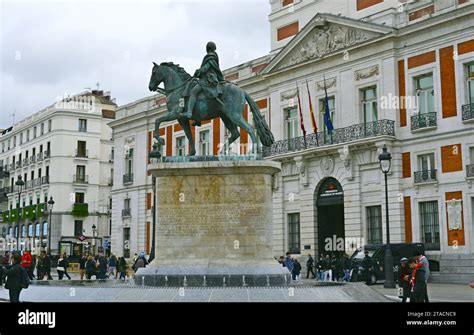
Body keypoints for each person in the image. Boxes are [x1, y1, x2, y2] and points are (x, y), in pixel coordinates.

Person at [182, 41, 225, 121]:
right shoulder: (214, 56)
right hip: (210, 78)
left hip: (207, 80)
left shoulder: (210, 56)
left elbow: (206, 67)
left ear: (207, 48)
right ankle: (197, 119)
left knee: (193, 92)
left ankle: (189, 112)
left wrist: (199, 72)